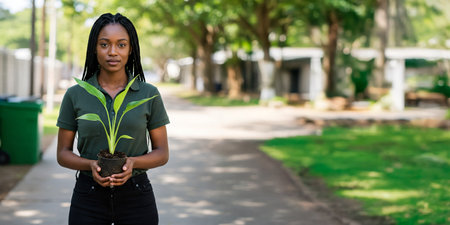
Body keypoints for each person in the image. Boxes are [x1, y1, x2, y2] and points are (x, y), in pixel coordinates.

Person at [56, 13, 169, 225]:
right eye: (104, 44)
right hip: (88, 195)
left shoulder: (148, 93)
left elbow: (162, 153)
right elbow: (63, 154)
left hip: (137, 195)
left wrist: (133, 162)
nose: (113, 52)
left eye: (121, 44)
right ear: (94, 49)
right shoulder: (76, 94)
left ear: (131, 49)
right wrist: (90, 165)